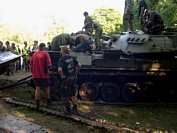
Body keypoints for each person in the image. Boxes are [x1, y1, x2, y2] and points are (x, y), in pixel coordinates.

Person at [58, 46, 81, 114]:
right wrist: (76, 73)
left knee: (65, 94)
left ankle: (68, 110)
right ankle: (75, 107)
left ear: (63, 51)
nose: (60, 51)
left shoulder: (61, 59)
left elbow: (59, 69)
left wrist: (62, 76)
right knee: (72, 92)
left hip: (66, 78)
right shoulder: (72, 57)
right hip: (73, 77)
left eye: (61, 50)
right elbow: (79, 65)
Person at [29, 43, 52, 109]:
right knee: (46, 88)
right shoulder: (46, 54)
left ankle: (37, 104)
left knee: (37, 88)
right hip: (44, 75)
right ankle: (48, 102)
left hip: (36, 75)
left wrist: (33, 73)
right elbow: (49, 64)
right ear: (44, 47)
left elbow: (30, 65)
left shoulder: (34, 54)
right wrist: (49, 71)